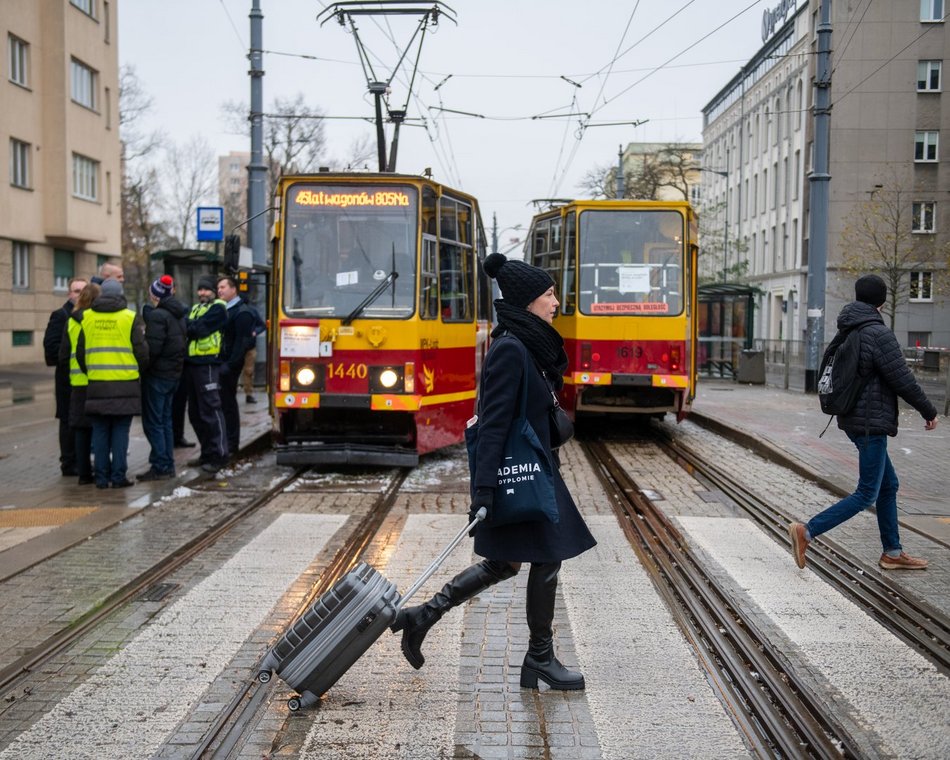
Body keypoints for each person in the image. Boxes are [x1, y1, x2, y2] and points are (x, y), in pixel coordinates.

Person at [391, 252, 596, 691]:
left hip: (537, 468)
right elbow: (493, 424)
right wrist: (482, 491)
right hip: (524, 472)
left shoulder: (527, 344)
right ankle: (539, 658)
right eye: (548, 294)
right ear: (527, 301)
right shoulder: (510, 349)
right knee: (545, 557)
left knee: (508, 560)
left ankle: (423, 616)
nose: (556, 302)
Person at [789, 274, 939, 571]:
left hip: (853, 418)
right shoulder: (877, 333)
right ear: (882, 301)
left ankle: (892, 552)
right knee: (867, 491)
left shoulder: (848, 328)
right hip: (870, 422)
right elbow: (901, 379)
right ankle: (806, 531)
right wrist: (928, 410)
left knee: (888, 485)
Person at [77, 279, 148, 488]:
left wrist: (91, 371)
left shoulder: (86, 317)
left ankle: (100, 478)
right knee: (120, 432)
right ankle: (118, 477)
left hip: (97, 384)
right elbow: (141, 352)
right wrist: (135, 371)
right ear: (120, 294)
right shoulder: (130, 317)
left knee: (99, 432)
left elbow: (81, 353)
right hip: (125, 384)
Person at [138, 275, 188, 481]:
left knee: (153, 422)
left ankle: (161, 465)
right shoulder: (178, 314)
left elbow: (153, 349)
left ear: (155, 294)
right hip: (173, 375)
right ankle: (167, 464)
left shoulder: (158, 316)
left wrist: (143, 367)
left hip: (157, 376)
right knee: (165, 420)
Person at [183, 275, 229, 473]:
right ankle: (206, 452)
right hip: (193, 364)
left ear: (214, 291)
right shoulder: (196, 308)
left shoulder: (218, 308)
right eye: (200, 289)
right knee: (195, 413)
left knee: (211, 410)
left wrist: (192, 327)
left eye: (206, 289)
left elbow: (198, 329)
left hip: (208, 364)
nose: (202, 293)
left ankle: (219, 455)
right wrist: (192, 327)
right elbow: (188, 327)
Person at [44, 276, 87, 475]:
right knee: (67, 421)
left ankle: (81, 460)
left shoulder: (88, 315)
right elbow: (51, 348)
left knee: (80, 421)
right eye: (76, 291)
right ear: (69, 293)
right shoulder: (60, 315)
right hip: (66, 380)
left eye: (83, 291)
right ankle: (69, 462)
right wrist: (67, 360)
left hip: (82, 380)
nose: (79, 295)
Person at [59, 282, 100, 485]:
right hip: (96, 380)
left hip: (77, 382)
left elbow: (64, 355)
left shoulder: (72, 321)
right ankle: (101, 470)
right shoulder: (95, 320)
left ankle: (84, 474)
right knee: (100, 427)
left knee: (81, 429)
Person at [216, 275, 257, 458]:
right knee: (223, 404)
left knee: (228, 404)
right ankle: (225, 442)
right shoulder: (224, 309)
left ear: (234, 289)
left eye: (223, 287)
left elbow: (242, 341)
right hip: (222, 363)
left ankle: (232, 444)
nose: (220, 290)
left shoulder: (242, 312)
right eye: (218, 287)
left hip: (229, 366)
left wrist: (230, 365)